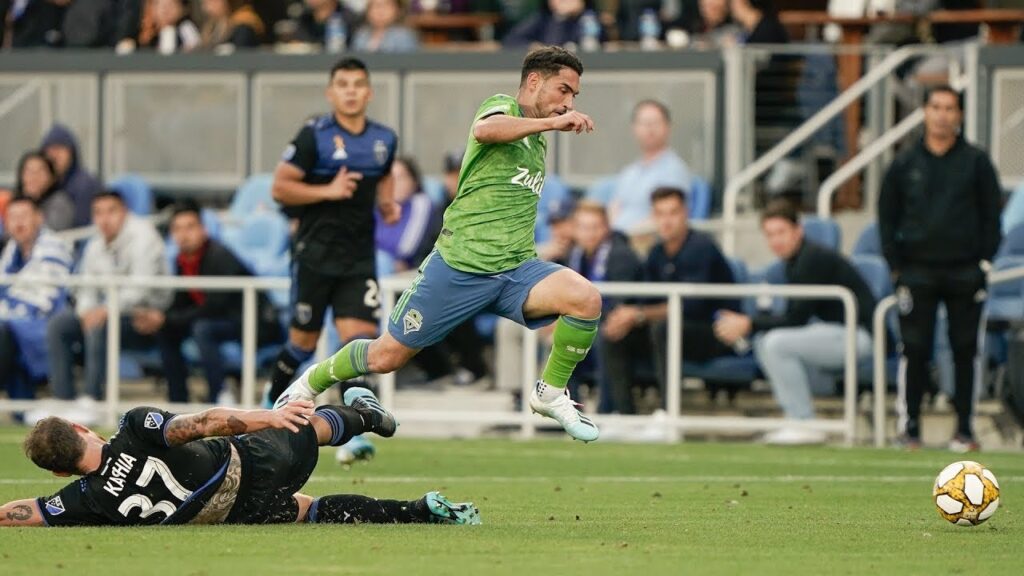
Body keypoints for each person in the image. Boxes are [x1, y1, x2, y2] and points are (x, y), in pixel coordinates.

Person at [278, 47, 603, 442]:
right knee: (386, 357)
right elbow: (487, 130)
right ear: (534, 81)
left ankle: (550, 393)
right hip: (460, 267)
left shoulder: (536, 140)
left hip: (515, 269)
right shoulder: (502, 107)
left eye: (574, 96)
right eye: (563, 89)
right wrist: (553, 125)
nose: (568, 102)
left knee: (585, 299)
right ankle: (309, 382)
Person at [0, 390, 480, 527]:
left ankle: (418, 512)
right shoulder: (132, 429)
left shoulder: (84, 500)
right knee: (301, 425)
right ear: (82, 428)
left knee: (309, 511)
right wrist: (263, 417)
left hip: (235, 512)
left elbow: (26, 513)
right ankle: (363, 415)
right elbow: (204, 423)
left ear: (60, 470)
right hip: (250, 464)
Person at [266, 57, 399, 459]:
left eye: (359, 84)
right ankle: (270, 408)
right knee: (301, 343)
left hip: (358, 259)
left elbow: (386, 171)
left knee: (357, 344)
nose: (351, 90)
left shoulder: (384, 138)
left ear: (369, 92)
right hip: (314, 255)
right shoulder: (314, 136)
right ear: (331, 92)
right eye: (343, 84)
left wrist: (387, 202)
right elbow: (280, 187)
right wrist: (328, 191)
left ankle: (352, 433)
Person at [878, 85, 1002, 452]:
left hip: (965, 271)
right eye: (936, 107)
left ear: (960, 115)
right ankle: (909, 427)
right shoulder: (904, 163)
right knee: (914, 349)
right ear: (925, 112)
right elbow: (887, 217)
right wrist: (896, 265)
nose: (942, 114)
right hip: (916, 272)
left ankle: (965, 428)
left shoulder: (976, 162)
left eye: (950, 108)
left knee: (965, 349)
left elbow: (991, 215)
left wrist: (984, 259)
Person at [714, 201, 876, 445]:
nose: (776, 240)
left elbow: (795, 318)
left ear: (797, 230)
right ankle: (795, 417)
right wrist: (753, 325)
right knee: (764, 342)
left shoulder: (812, 258)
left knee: (776, 343)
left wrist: (749, 322)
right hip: (834, 332)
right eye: (770, 234)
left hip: (862, 337)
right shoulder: (794, 261)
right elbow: (794, 317)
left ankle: (803, 421)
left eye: (781, 232)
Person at [604, 187, 738, 412]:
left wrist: (638, 314)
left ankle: (668, 413)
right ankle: (623, 414)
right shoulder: (657, 252)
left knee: (664, 329)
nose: (666, 221)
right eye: (660, 214)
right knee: (615, 333)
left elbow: (692, 307)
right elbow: (645, 298)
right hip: (671, 331)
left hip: (716, 334)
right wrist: (626, 316)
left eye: (673, 213)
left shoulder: (702, 247)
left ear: (685, 213)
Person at [139, 200, 282, 405]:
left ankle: (219, 395)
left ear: (203, 229)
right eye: (177, 229)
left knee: (202, 328)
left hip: (254, 323)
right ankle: (177, 401)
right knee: (166, 330)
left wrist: (167, 318)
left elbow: (215, 306)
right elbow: (183, 302)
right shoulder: (182, 261)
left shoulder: (220, 256)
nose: (184, 235)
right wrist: (160, 319)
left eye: (190, 227)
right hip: (218, 320)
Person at [46, 191, 172, 422]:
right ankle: (63, 400)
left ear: (124, 212)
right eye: (98, 213)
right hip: (112, 314)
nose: (104, 219)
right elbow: (86, 288)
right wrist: (86, 312)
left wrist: (104, 310)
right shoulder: (95, 244)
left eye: (111, 211)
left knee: (101, 324)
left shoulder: (145, 236)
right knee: (60, 324)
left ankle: (93, 400)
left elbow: (140, 288)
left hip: (148, 318)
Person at [562, 201, 645, 414]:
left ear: (606, 228)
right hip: (587, 324)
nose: (589, 234)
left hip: (631, 329)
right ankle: (564, 411)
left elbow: (621, 304)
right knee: (557, 336)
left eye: (595, 227)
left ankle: (607, 411)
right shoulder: (573, 256)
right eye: (583, 227)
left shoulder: (621, 255)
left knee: (603, 335)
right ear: (575, 230)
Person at [0, 197, 73, 400]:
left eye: (23, 215)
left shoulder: (54, 247)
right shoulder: (11, 249)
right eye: (12, 217)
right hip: (16, 323)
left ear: (39, 218)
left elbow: (43, 301)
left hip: (45, 325)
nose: (18, 222)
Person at [608, 100, 692, 238]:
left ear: (668, 127)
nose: (649, 128)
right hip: (617, 242)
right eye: (644, 123)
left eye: (655, 123)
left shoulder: (674, 170)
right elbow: (614, 208)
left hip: (646, 243)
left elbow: (667, 218)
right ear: (634, 128)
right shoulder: (629, 172)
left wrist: (626, 236)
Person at [375, 157, 440, 272]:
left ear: (414, 181)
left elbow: (406, 248)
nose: (394, 183)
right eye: (390, 178)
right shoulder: (379, 206)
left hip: (411, 273)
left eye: (401, 178)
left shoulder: (421, 203)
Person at [41, 124, 103, 228]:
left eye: (59, 149)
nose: (53, 155)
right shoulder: (51, 185)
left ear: (72, 153)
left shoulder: (84, 185)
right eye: (48, 151)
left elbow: (82, 229)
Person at [14, 151, 75, 232]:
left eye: (40, 171)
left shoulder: (60, 202)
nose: (34, 176)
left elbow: (53, 233)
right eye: (29, 171)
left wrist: (31, 202)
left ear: (52, 177)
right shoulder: (14, 201)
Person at [503, 0, 597, 48]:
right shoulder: (542, 18)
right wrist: (533, 46)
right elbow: (511, 40)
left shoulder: (589, 17)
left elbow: (590, 45)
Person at [352, 0, 419, 52]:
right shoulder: (361, 34)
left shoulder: (404, 35)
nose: (380, 11)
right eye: (375, 6)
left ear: (397, 10)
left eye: (386, 6)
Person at [199, 0, 265, 51]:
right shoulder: (212, 26)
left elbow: (241, 53)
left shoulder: (243, 25)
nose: (206, 8)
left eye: (212, 2)